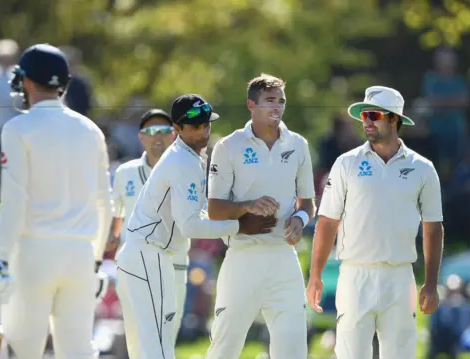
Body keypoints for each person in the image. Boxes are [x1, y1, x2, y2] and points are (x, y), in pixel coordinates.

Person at [115, 93, 277, 359]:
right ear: (177, 129)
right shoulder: (183, 161)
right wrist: (240, 226)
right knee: (158, 346)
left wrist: (240, 211)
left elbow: (199, 214)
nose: (203, 132)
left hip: (140, 255)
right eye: (194, 126)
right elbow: (190, 226)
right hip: (148, 255)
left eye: (206, 124)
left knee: (144, 348)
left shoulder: (184, 157)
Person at [0, 43, 113, 359]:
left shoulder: (18, 128)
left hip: (33, 254)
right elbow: (105, 203)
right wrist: (95, 261)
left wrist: (1, 259)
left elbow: (14, 201)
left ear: (26, 81)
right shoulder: (90, 129)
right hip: (80, 255)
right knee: (79, 352)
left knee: (26, 352)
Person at [306, 86, 445, 359]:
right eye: (363, 116)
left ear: (394, 119)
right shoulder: (346, 163)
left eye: (373, 115)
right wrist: (315, 275)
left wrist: (430, 283)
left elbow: (433, 227)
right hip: (355, 275)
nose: (366, 121)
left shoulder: (422, 168)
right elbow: (327, 222)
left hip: (400, 276)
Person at [205, 73, 316, 359]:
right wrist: (248, 207)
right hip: (243, 257)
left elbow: (308, 203)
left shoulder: (298, 145)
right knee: (225, 346)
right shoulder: (228, 146)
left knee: (292, 348)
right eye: (269, 101)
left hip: (284, 258)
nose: (276, 107)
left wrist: (299, 220)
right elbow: (215, 209)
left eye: (281, 101)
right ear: (251, 105)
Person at [107, 108, 192, 344]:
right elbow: (117, 213)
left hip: (173, 262)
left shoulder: (187, 170)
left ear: (174, 135)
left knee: (165, 339)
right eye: (151, 131)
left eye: (165, 131)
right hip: (134, 265)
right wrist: (113, 237)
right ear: (141, 136)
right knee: (135, 338)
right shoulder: (125, 172)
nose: (158, 137)